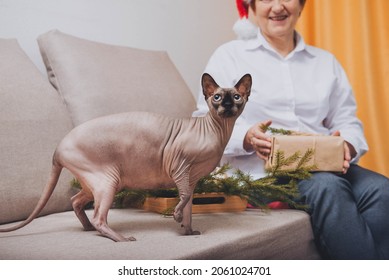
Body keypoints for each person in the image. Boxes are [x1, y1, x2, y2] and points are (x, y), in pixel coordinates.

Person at [193, 0, 389, 259]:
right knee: (328, 187)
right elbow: (203, 121)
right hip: (262, 172)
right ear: (251, 6)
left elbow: (347, 119)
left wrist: (347, 145)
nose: (277, 7)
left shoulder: (325, 62)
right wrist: (247, 137)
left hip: (323, 163)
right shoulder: (229, 56)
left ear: (301, 4)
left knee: (382, 189)